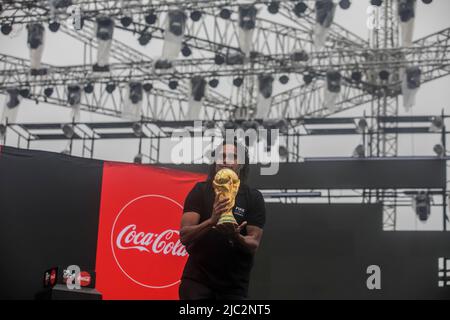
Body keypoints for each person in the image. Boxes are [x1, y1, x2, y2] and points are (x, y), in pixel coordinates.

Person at [179, 140, 266, 300]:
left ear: (241, 164)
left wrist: (236, 236)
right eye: (222, 156)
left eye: (232, 156)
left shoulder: (253, 197)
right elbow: (184, 236)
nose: (225, 160)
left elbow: (254, 244)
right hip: (198, 281)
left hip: (234, 287)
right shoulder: (200, 190)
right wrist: (211, 221)